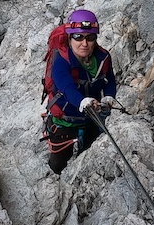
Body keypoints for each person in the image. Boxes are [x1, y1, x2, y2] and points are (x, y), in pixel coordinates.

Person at [45, 9, 117, 174]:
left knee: (89, 155)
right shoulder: (61, 60)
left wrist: (109, 96)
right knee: (58, 164)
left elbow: (110, 79)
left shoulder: (103, 57)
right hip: (65, 119)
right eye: (78, 37)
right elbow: (66, 86)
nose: (84, 43)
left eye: (90, 37)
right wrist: (81, 101)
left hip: (92, 116)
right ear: (70, 37)